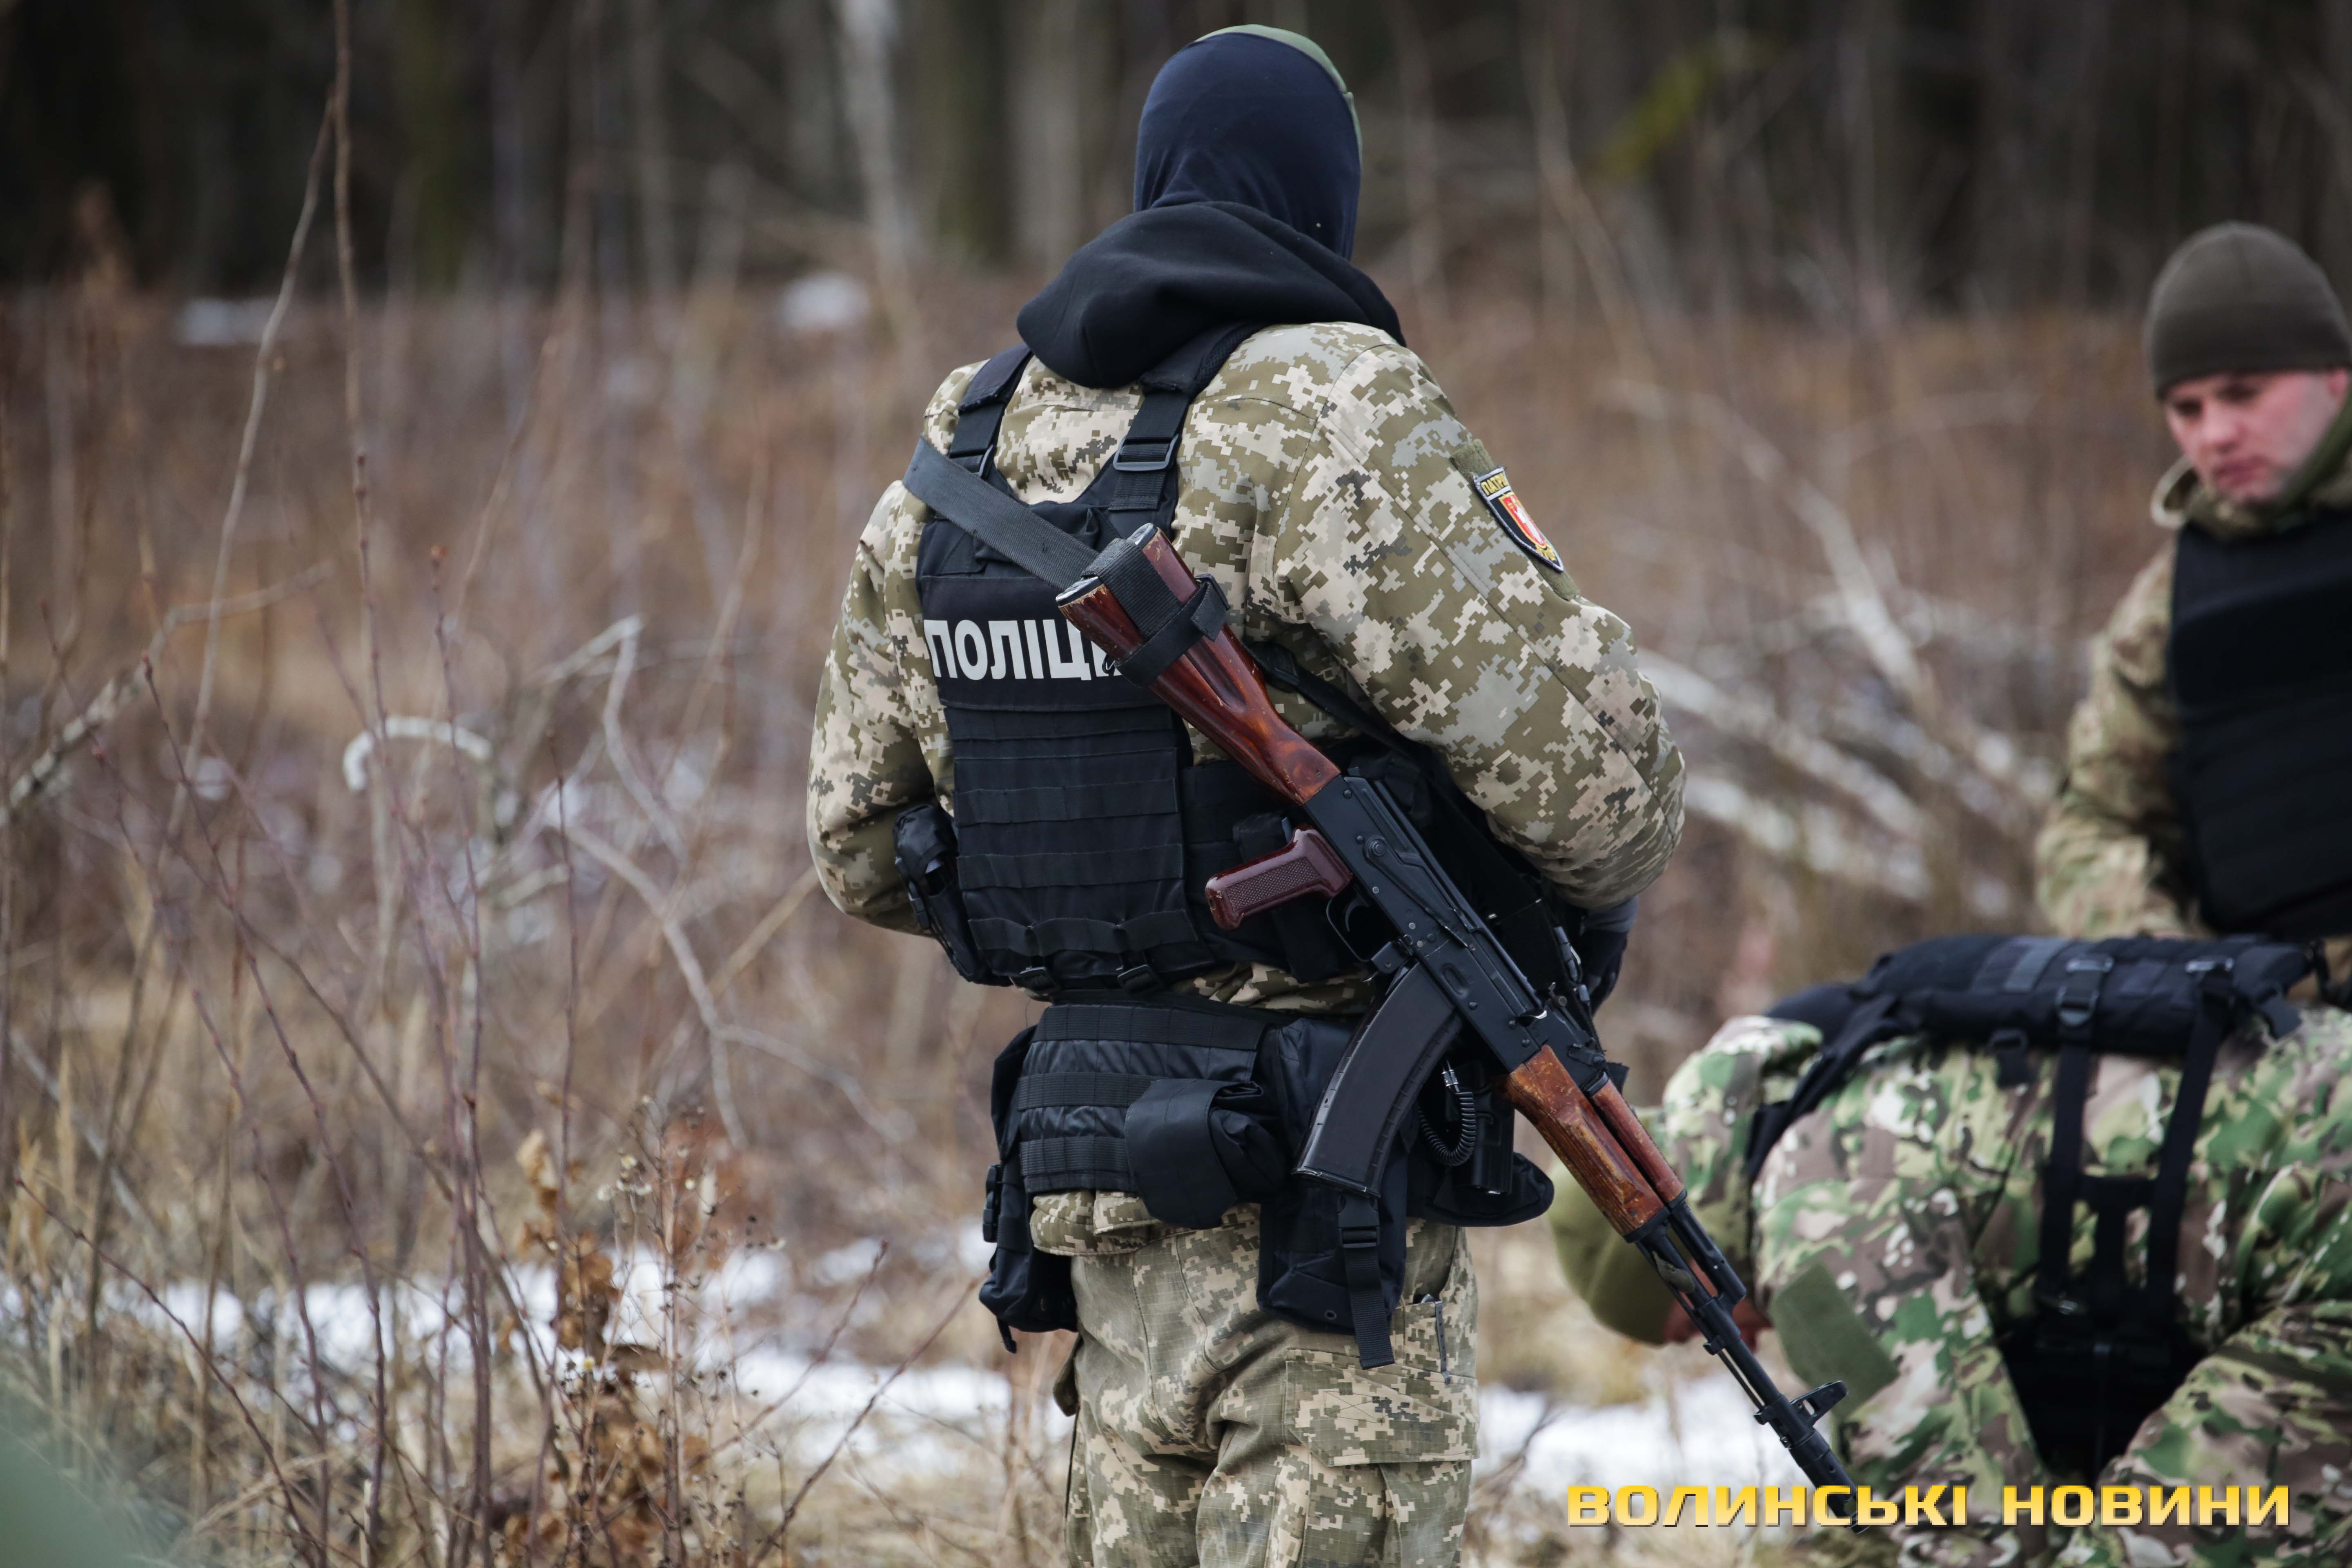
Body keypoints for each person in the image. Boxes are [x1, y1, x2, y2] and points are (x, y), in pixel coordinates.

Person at [806, 25, 1684, 1568]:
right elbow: (1606, 800)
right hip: (1322, 1233)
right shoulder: (1329, 402)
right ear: (1325, 201)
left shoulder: (972, 434)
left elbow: (863, 846)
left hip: (1097, 1191)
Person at [1549, 935, 2352, 1568]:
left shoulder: (1817, 1219)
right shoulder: (1850, 1073)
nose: (1749, 1340)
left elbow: (1971, 1531)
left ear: (1688, 1267)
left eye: (1702, 1329)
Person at [2036, 223, 2352, 953]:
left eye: (2245, 394)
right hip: (2281, 1011)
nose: (2216, 435)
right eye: (2188, 409)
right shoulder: (2169, 607)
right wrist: (2161, 966)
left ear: (2334, 376)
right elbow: (2091, 825)